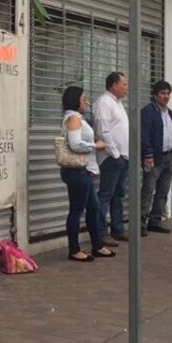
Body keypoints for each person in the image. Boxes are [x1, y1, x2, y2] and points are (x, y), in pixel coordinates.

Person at [59, 86, 116, 262]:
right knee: (76, 210)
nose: (86, 102)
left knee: (93, 208)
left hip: (84, 171)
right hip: (76, 171)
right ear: (75, 100)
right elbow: (75, 144)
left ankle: (97, 246)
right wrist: (95, 145)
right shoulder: (74, 118)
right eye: (83, 99)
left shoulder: (76, 117)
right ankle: (74, 250)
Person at [94, 71, 130, 246]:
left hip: (122, 156)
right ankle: (101, 232)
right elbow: (103, 131)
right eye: (124, 84)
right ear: (114, 85)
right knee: (106, 194)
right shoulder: (104, 102)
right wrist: (115, 154)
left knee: (118, 194)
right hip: (111, 157)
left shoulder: (118, 103)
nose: (127, 88)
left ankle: (117, 228)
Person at [140, 80, 172, 236]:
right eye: (162, 93)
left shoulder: (169, 113)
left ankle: (155, 221)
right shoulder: (148, 112)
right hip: (154, 158)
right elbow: (144, 134)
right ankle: (140, 224)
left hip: (168, 157)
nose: (166, 96)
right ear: (155, 95)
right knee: (148, 190)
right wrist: (147, 154)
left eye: (168, 93)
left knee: (163, 191)